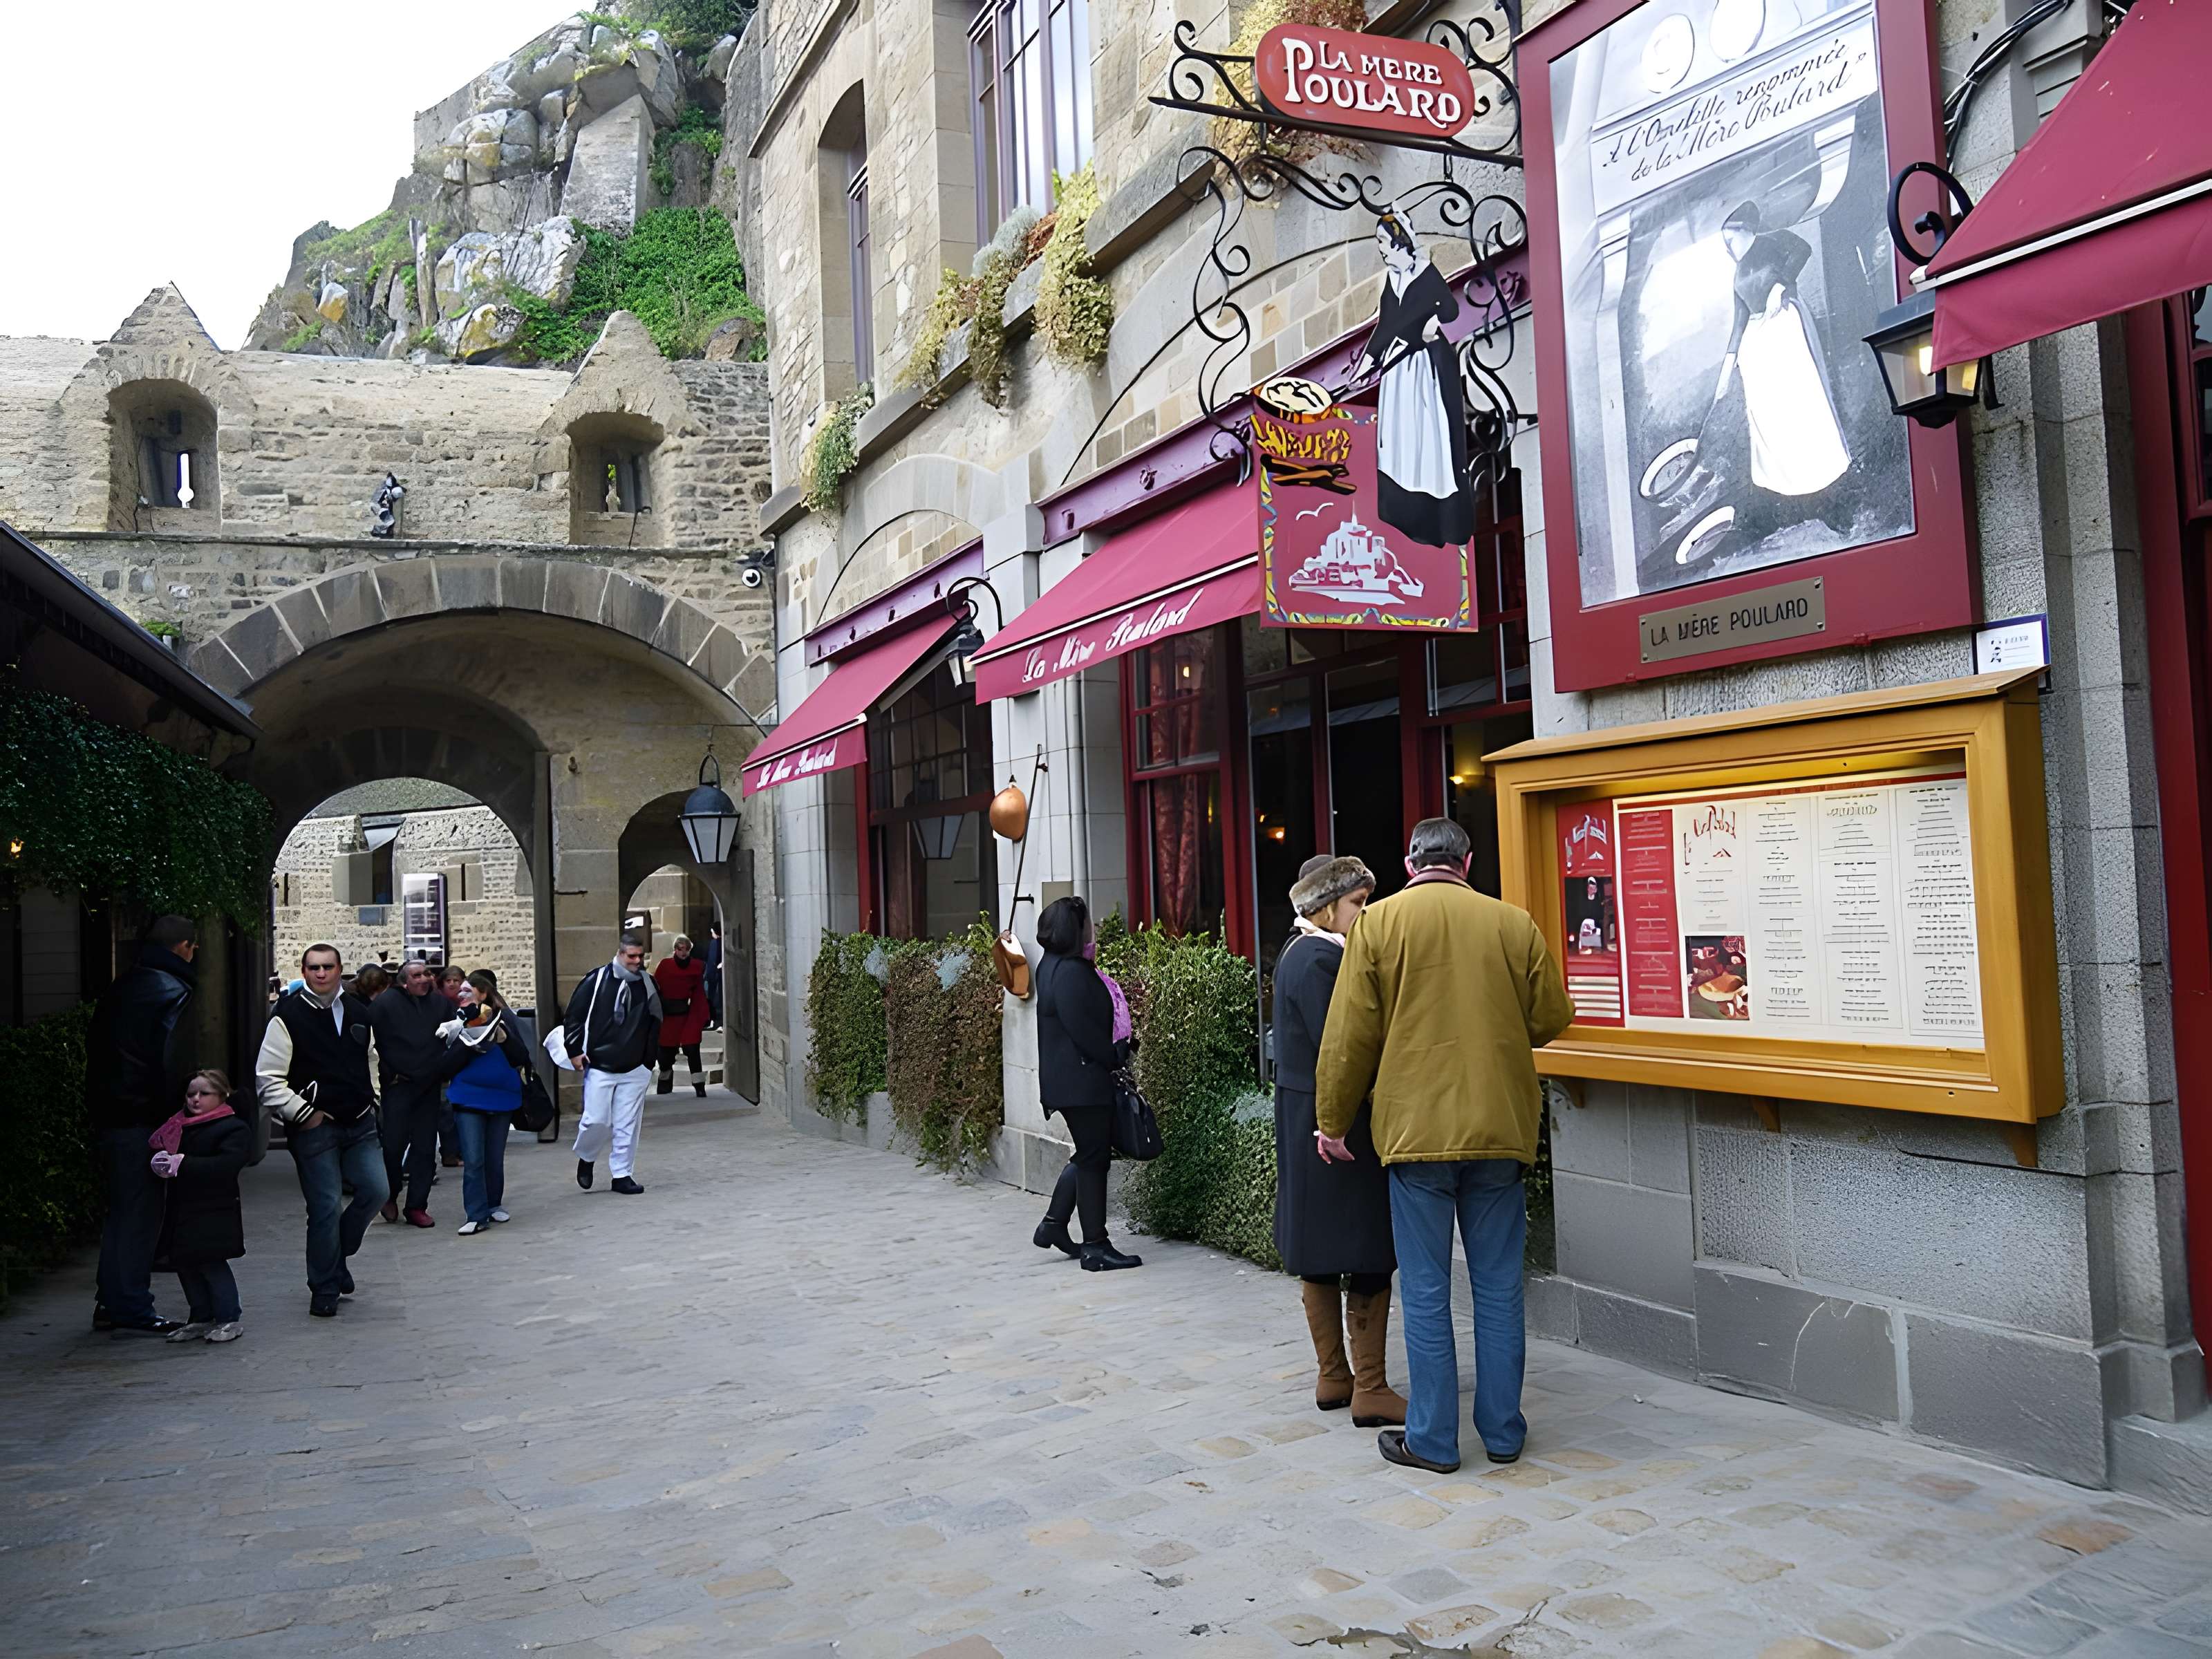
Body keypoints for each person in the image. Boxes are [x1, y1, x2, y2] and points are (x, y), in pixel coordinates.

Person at [1314, 818, 1573, 1473]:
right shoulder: (1512, 923)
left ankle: (1432, 1439)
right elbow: (1551, 1018)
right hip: (1499, 1130)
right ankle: (1504, 1432)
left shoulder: (1377, 926)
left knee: (1428, 1292)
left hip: (1415, 1134)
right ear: (1468, 861)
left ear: (1408, 863)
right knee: (1498, 1287)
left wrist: (1333, 1123)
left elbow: (1349, 1040)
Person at [1273, 855, 1405, 1427]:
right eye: (1357, 902)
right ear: (1327, 906)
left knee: (1321, 1247)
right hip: (1337, 1121)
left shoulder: (1298, 952)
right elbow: (1346, 1048)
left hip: (1306, 1113)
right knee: (1369, 1250)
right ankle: (1369, 1387)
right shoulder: (1323, 960)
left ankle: (1335, 1377)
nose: (1366, 912)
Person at [256, 943, 388, 1318]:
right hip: (313, 1128)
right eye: (313, 967)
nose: (320, 973)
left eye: (327, 967)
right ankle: (325, 1286)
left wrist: (373, 1098)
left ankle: (334, 1258)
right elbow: (268, 1079)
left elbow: (372, 1059)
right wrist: (304, 1113)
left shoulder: (360, 1013)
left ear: (340, 969)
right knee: (326, 1206)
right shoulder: (286, 1016)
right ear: (303, 970)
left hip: (360, 1120)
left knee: (377, 1190)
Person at [85, 915, 200, 1335]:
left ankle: (115, 1300)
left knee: (124, 1212)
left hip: (113, 1113)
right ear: (184, 947)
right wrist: (181, 1116)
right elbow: (170, 1063)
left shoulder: (123, 986)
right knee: (141, 1214)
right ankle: (129, 1305)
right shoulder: (173, 991)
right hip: (144, 1118)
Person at [1031, 896, 1141, 1272]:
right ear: (1075, 930)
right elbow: (1087, 1033)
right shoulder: (1073, 972)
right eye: (1087, 924)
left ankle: (1054, 1225)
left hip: (1067, 1079)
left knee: (1089, 1152)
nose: (1092, 928)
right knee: (1094, 1159)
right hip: (1083, 1081)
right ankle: (1096, 1246)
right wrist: (1119, 1053)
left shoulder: (1050, 965)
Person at [1351, 213, 1474, 549]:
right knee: (1399, 442)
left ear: (1398, 242)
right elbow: (1386, 323)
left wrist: (1432, 322)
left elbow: (1449, 309)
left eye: (1383, 243)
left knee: (1426, 437)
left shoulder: (1425, 272)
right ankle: (1404, 513)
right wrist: (1368, 361)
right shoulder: (1392, 279)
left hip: (1424, 369)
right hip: (1397, 372)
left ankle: (1435, 515)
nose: (1381, 251)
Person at [149, 1069, 252, 1343]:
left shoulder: (233, 1128)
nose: (195, 1100)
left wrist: (183, 1163)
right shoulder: (178, 1125)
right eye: (191, 1094)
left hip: (214, 1208)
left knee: (211, 1262)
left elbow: (227, 1165)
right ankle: (200, 1317)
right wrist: (160, 1162)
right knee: (185, 1262)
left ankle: (229, 1317)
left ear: (222, 1096)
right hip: (182, 1206)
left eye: (204, 1094)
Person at [568, 931, 661, 1196]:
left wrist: (648, 1060)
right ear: (620, 954)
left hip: (635, 1066)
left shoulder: (648, 984)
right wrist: (574, 1050)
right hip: (600, 1064)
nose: (637, 961)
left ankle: (622, 1174)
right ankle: (587, 1156)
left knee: (627, 1123)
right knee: (596, 1121)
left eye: (640, 957)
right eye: (632, 956)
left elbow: (655, 1022)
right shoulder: (596, 980)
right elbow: (574, 1016)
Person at [443, 970, 533, 1235]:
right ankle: (476, 1214)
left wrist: (504, 1039)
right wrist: (467, 1041)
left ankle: (493, 1204)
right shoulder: (453, 1021)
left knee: (494, 1157)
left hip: (502, 1097)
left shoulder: (504, 1019)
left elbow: (521, 1057)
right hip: (468, 1097)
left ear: (483, 994)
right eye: (460, 991)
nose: (461, 994)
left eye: (468, 990)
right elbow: (445, 1066)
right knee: (473, 1159)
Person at [368, 959, 458, 1227]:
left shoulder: (441, 1005)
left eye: (427, 974)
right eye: (417, 975)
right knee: (393, 1147)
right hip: (398, 1086)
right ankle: (390, 1194)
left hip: (429, 1088)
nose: (424, 979)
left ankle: (417, 1206)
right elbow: (372, 1042)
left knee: (425, 1149)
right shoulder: (385, 1005)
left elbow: (454, 1035)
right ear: (404, 982)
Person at [653, 935, 711, 1098]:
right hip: (667, 1015)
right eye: (680, 949)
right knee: (665, 1054)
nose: (683, 953)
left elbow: (698, 993)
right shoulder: (665, 966)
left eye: (686, 949)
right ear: (675, 950)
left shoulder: (696, 967)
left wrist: (702, 1014)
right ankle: (664, 1085)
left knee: (693, 1051)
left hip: (686, 1015)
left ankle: (699, 1085)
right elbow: (656, 988)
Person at [435, 964, 469, 1168]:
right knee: (446, 1111)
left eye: (457, 980)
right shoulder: (440, 1003)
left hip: (460, 1063)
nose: (454, 984)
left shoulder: (467, 1001)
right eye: (449, 981)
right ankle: (450, 1152)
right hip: (445, 1062)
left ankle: (456, 1150)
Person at [702, 922, 724, 1031]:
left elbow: (712, 961)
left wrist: (709, 976)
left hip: (714, 977)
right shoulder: (722, 942)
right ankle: (716, 1021)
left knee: (714, 1000)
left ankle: (717, 1022)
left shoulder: (715, 943)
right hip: (717, 975)